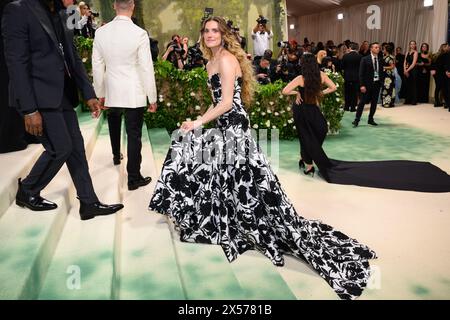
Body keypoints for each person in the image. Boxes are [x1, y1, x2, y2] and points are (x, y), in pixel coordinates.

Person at [149, 16, 377, 301]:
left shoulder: (228, 60)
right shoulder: (211, 62)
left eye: (215, 31)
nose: (209, 35)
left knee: (239, 176)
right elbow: (216, 100)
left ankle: (240, 220)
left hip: (234, 126)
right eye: (206, 31)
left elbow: (226, 102)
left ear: (223, 35)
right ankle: (225, 219)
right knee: (223, 171)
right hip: (225, 123)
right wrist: (199, 119)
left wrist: (198, 123)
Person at [2, 0, 123, 219]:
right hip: (38, 97)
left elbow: (72, 56)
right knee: (61, 148)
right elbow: (16, 64)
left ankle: (88, 203)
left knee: (76, 148)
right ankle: (28, 189)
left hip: (63, 95)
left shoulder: (65, 13)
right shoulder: (18, 10)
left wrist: (88, 93)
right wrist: (29, 110)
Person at [282, 53, 450, 193]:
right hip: (311, 110)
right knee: (315, 134)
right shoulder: (321, 75)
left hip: (302, 110)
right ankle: (308, 163)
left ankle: (307, 160)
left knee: (307, 137)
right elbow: (333, 87)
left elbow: (284, 91)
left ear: (304, 65)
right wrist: (320, 93)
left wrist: (297, 92)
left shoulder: (300, 78)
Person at [92, 0, 156, 191]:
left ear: (114, 6)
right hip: (133, 91)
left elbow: (97, 66)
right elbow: (146, 67)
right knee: (134, 135)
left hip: (111, 88)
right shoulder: (139, 33)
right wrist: (151, 97)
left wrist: (100, 93)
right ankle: (133, 178)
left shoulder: (101, 32)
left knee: (113, 120)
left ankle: (115, 155)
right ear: (133, 6)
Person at [353, 42, 384, 127]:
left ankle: (371, 119)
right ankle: (357, 119)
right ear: (371, 49)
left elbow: (381, 72)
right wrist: (362, 85)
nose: (378, 49)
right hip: (366, 85)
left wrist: (381, 82)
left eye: (378, 47)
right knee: (362, 102)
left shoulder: (381, 59)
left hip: (377, 84)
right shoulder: (365, 59)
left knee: (374, 103)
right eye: (376, 47)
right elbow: (361, 73)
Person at [341, 42, 362, 112]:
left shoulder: (345, 56)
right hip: (356, 77)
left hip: (347, 76)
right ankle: (353, 107)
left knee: (347, 92)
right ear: (356, 48)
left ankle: (346, 107)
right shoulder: (360, 57)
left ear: (350, 48)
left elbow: (342, 67)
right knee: (354, 92)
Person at [430, 43, 449, 107]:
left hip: (436, 74)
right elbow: (444, 65)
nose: (448, 47)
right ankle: (446, 103)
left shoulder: (436, 54)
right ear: (444, 47)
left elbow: (432, 64)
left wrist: (432, 69)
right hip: (442, 73)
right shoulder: (445, 55)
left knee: (438, 88)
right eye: (447, 46)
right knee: (444, 88)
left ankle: (437, 102)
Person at [381, 43, 396, 108]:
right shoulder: (384, 56)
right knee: (385, 89)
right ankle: (385, 102)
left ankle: (389, 103)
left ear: (386, 50)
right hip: (384, 75)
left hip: (389, 76)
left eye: (383, 49)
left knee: (389, 89)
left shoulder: (390, 57)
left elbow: (392, 66)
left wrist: (383, 67)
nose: (382, 50)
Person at [404, 40, 419, 105]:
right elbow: (405, 61)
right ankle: (408, 100)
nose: (412, 45)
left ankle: (413, 100)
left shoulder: (416, 53)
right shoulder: (407, 52)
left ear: (415, 45)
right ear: (409, 45)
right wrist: (404, 70)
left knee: (413, 86)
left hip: (413, 70)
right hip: (406, 69)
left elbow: (413, 63)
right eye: (411, 44)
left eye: (413, 44)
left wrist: (407, 71)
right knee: (407, 85)